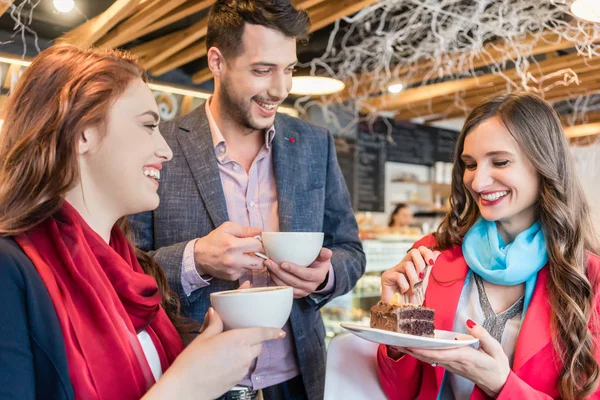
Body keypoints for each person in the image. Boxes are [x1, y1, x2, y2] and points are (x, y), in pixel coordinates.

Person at [0, 44, 286, 400]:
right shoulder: (10, 270)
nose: (164, 149)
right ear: (83, 132)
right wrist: (188, 385)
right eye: (148, 125)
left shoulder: (129, 267)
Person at [129, 1, 366, 399]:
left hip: (299, 378)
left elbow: (351, 250)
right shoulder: (159, 144)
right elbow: (122, 265)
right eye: (262, 70)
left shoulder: (313, 144)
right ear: (217, 62)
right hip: (197, 380)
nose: (280, 88)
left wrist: (324, 277)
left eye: (288, 69)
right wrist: (195, 259)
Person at [377, 93, 600, 399]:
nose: (478, 182)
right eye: (469, 165)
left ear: (544, 164)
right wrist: (395, 323)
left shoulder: (588, 276)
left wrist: (501, 384)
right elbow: (400, 391)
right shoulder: (432, 255)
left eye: (500, 162)